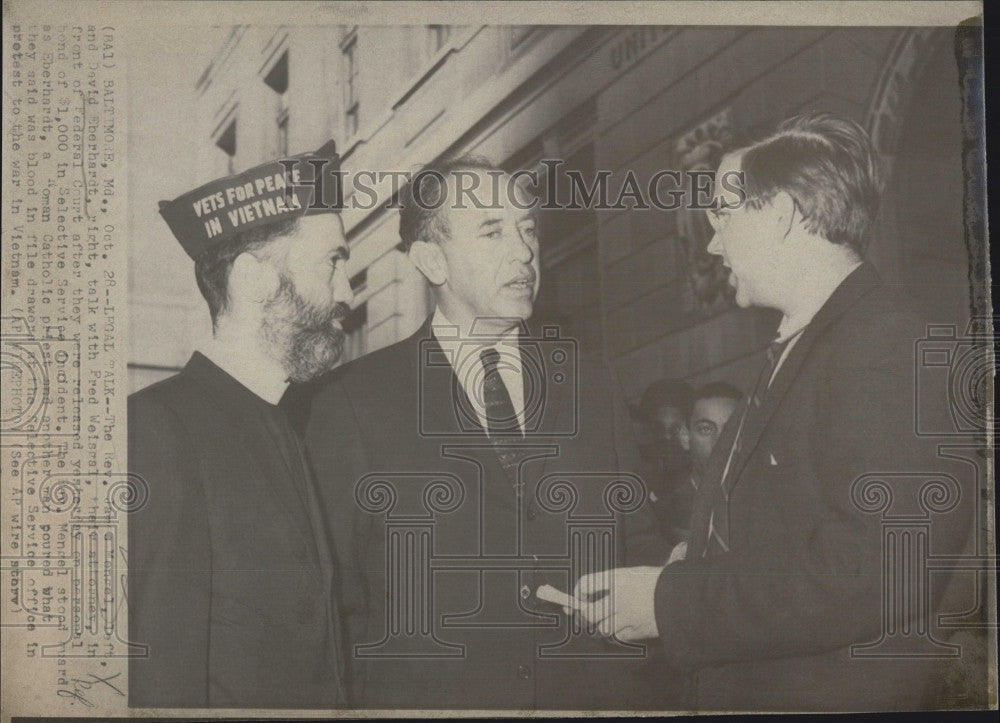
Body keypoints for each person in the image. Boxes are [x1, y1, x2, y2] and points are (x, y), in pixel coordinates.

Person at [571, 113, 976, 710]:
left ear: (781, 215)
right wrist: (696, 563)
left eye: (722, 217)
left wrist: (670, 602)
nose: (711, 244)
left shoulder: (888, 345)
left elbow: (878, 567)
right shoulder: (815, 344)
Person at [298, 156, 670, 709]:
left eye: (527, 230)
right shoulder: (351, 403)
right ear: (432, 260)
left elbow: (636, 541)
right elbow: (334, 607)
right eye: (493, 231)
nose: (523, 252)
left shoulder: (593, 386)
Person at [128, 141, 352, 708]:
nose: (348, 293)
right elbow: (160, 680)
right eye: (333, 263)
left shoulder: (296, 420)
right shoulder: (158, 431)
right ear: (254, 280)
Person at [633, 378, 694, 543]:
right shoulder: (647, 482)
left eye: (676, 429)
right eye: (659, 428)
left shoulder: (701, 483)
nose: (667, 438)